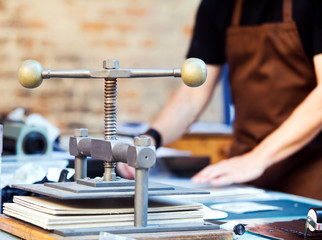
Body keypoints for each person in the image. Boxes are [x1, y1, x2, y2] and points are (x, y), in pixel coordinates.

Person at [118, 0, 322, 200]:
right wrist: (150, 141)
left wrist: (257, 159)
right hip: (245, 176)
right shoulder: (217, 5)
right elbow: (192, 96)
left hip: (308, 172)